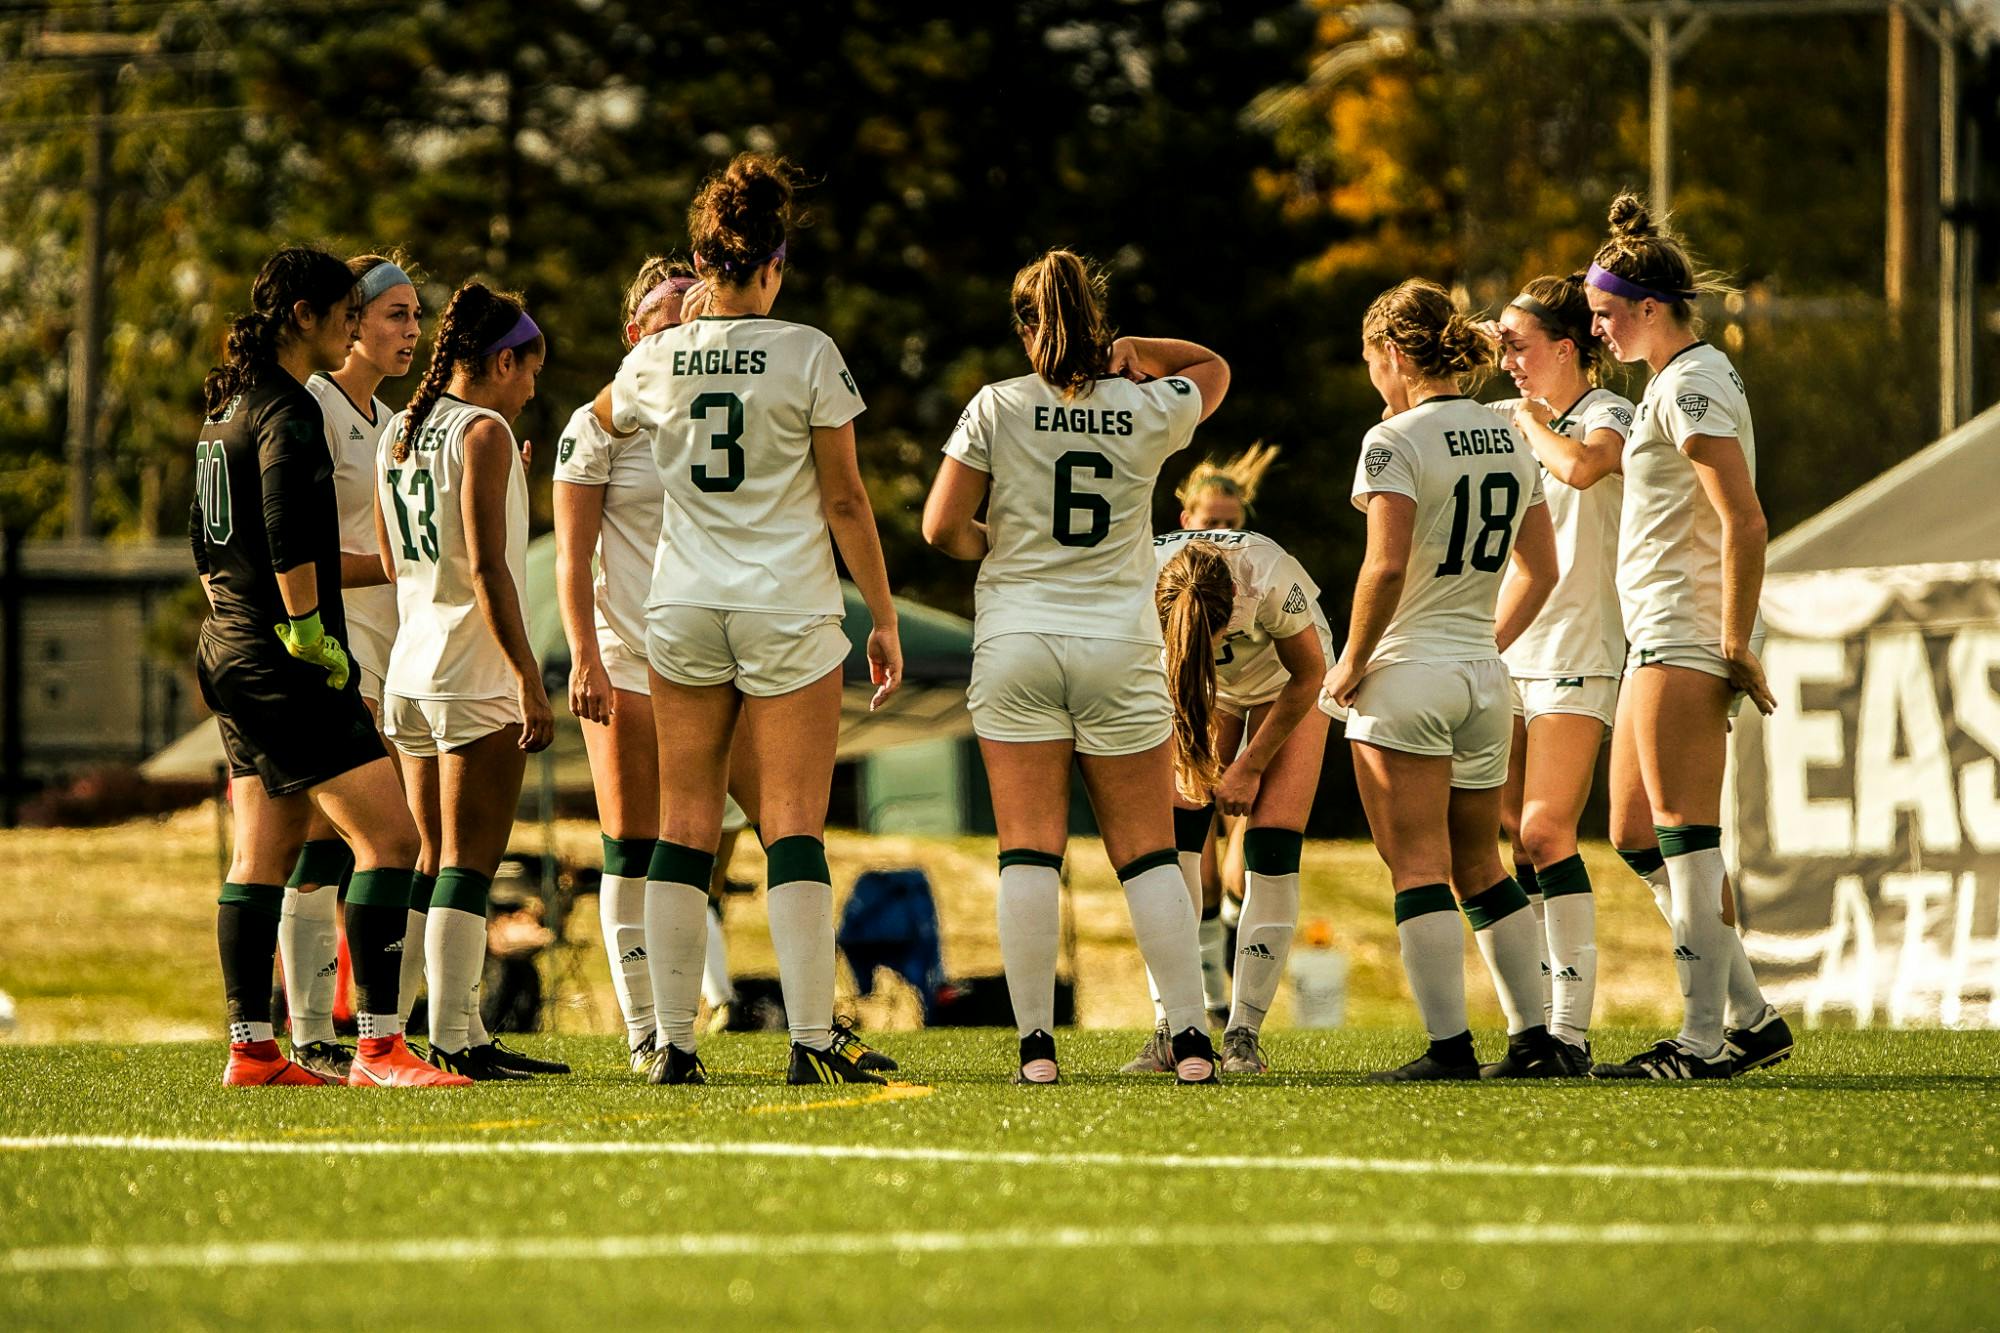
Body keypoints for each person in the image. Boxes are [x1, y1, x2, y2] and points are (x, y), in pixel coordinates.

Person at [591, 153, 902, 1087]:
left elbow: (584, 432)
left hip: (680, 606)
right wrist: (882, 615)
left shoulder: (655, 356)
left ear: (702, 256)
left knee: (682, 825)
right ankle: (811, 1036)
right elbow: (846, 501)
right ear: (772, 262)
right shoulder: (807, 350)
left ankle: (672, 1043)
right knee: (793, 825)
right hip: (786, 605)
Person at [923, 248, 1231, 1085]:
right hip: (1118, 644)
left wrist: (1004, 544)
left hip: (1019, 638)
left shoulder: (997, 404)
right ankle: (1194, 1037)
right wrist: (1139, 351)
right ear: (1095, 323)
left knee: (1028, 850)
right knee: (1146, 852)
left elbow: (940, 528)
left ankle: (1035, 1048)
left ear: (1025, 328)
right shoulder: (1144, 405)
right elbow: (1214, 367)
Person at [190, 245, 460, 1088]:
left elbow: (205, 539)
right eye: (345, 308)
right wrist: (307, 627)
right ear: (302, 315)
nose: (353, 320)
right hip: (284, 658)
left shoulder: (223, 405)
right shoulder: (288, 407)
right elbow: (283, 522)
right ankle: (380, 1048)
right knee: (392, 837)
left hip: (226, 647)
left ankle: (253, 1048)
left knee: (260, 854)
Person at [1321, 278, 1562, 1081]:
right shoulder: (1508, 435)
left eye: (1370, 361)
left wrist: (1352, 661)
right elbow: (1543, 567)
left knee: (1418, 865)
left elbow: (1384, 565)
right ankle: (1534, 1039)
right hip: (1483, 680)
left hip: (1409, 674)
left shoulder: (1391, 440)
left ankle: (1450, 1048)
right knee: (1482, 865)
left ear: (1392, 353)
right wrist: (1482, 641)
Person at [1575, 194, 1790, 1079]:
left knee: (1683, 834)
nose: (1598, 330)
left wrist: (1735, 640)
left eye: (1604, 313)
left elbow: (1745, 521)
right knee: (1632, 830)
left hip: (1687, 629)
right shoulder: (1677, 379)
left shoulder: (1693, 381)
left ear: (1649, 308)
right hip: (1659, 629)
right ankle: (1751, 1014)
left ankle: (1704, 1040)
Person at [555, 261, 785, 1074]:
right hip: (629, 653)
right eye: (661, 311)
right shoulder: (600, 423)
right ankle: (647, 1027)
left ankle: (806, 1023)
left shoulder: (715, 404)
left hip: (717, 657)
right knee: (631, 841)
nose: (679, 320)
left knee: (771, 831)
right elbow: (572, 554)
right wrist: (585, 652)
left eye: (690, 306)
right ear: (631, 332)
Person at [378, 279, 561, 1081]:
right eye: (528, 369)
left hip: (410, 665)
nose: (531, 386)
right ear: (497, 362)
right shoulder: (482, 431)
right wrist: (528, 674)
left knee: (430, 859)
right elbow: (489, 570)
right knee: (467, 863)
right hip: (469, 670)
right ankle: (454, 1034)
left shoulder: (403, 431)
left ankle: (400, 1034)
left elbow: (394, 561)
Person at [276, 252, 424, 1080]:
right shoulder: (316, 408)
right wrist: (394, 568)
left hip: (393, 647)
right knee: (332, 842)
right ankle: (316, 1033)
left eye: (414, 316)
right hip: (336, 648)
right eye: (394, 314)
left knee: (364, 842)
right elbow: (296, 546)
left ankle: (359, 1029)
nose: (410, 330)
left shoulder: (394, 419)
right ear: (350, 321)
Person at [1484, 273, 1636, 1069]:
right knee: (1510, 834)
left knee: (1546, 829)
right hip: (1514, 645)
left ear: (1565, 348)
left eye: (1517, 345)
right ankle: (1538, 1029)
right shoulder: (1517, 420)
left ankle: (1569, 1034)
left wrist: (1527, 425)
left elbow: (1585, 468)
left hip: (1578, 649)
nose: (1505, 359)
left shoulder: (1606, 412)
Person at [1145, 529, 1331, 1075]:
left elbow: (1311, 674)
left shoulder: (1269, 577)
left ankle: (1243, 1031)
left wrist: (1249, 766)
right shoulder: (1139, 576)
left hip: (1289, 680)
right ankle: (1173, 1024)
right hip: (1201, 684)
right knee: (1174, 838)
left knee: (1271, 844)